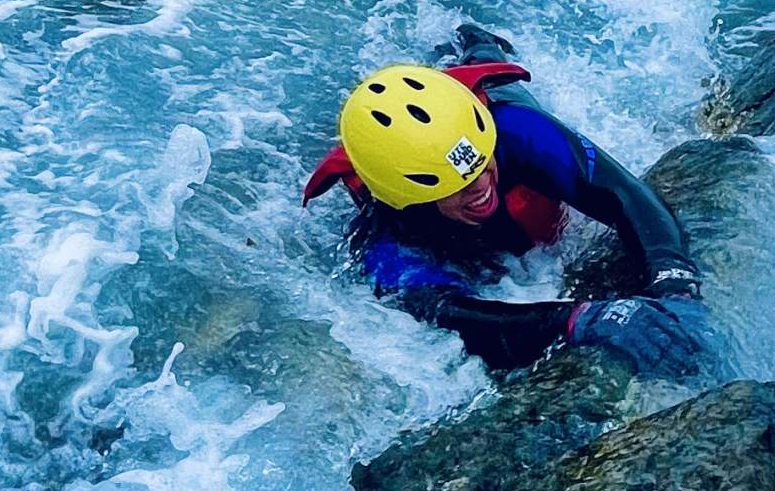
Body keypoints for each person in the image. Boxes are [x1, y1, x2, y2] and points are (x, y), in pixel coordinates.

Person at [303, 25, 711, 375]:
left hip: (492, 114)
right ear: (408, 197)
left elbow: (625, 193)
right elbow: (454, 321)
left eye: (481, 164)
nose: (479, 185)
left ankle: (474, 39)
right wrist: (576, 320)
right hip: (428, 188)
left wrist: (672, 277)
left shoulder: (515, 131)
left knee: (488, 67)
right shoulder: (387, 242)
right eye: (455, 185)